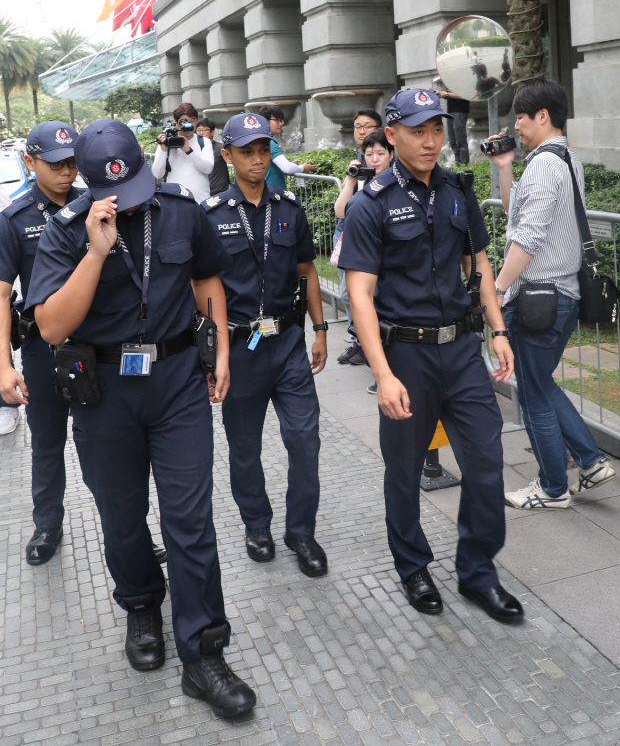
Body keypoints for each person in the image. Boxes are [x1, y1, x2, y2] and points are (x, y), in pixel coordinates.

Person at [25, 119, 255, 719]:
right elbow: (51, 325)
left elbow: (207, 278)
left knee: (190, 519)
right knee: (122, 517)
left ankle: (203, 652)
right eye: (112, 198)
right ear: (87, 182)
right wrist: (96, 253)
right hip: (103, 393)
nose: (125, 208)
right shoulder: (65, 231)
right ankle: (141, 604)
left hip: (178, 381)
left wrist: (221, 350)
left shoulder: (179, 210)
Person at [340, 88, 524, 626]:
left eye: (436, 130)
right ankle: (413, 566)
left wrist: (498, 330)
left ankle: (478, 572)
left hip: (462, 352)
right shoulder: (370, 203)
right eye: (418, 131)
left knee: (487, 464)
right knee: (403, 471)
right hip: (406, 357)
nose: (430, 141)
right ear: (391, 135)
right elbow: (359, 295)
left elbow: (482, 264)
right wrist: (381, 372)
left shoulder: (456, 191)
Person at [202, 113, 329, 578]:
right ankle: (257, 524)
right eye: (247, 151)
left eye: (263, 150)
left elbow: (307, 272)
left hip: (289, 343)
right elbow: (204, 286)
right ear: (227, 155)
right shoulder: (211, 215)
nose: (258, 159)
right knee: (244, 447)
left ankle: (301, 531)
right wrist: (214, 355)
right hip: (241, 350)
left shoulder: (290, 208)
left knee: (304, 440)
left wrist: (319, 329)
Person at [487, 80, 615, 510]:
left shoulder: (544, 165)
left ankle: (552, 487)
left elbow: (527, 236)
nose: (517, 126)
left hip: (540, 296)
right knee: (543, 384)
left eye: (521, 117)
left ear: (543, 116)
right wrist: (505, 166)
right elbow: (516, 212)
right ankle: (591, 461)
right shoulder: (563, 159)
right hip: (561, 294)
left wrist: (498, 290)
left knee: (536, 393)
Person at [0, 123, 81, 561]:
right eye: (56, 164)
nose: (67, 172)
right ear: (29, 162)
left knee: (110, 443)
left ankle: (127, 527)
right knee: (47, 442)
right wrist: (3, 365)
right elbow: (0, 294)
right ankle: (47, 525)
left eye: (72, 162)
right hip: (41, 350)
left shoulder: (95, 206)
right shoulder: (14, 219)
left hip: (96, 350)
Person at [333, 129, 394, 376]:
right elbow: (340, 211)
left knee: (381, 305)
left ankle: (383, 366)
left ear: (391, 154)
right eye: (370, 154)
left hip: (387, 256)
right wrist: (350, 179)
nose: (375, 159)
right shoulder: (361, 180)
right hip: (362, 254)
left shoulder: (397, 180)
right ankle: (369, 352)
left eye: (381, 153)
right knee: (350, 296)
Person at [152, 102, 213, 203]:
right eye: (184, 121)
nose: (189, 124)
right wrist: (164, 150)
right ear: (176, 122)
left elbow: (208, 169)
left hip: (200, 203)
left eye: (193, 120)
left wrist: (189, 151)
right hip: (175, 204)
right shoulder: (167, 141)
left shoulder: (203, 141)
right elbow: (157, 174)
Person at [259, 104, 314, 188]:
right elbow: (287, 168)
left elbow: (271, 167)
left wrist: (291, 165)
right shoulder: (270, 143)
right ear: (265, 121)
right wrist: (302, 168)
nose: (280, 124)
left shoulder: (260, 141)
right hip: (273, 195)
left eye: (281, 120)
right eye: (276, 120)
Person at [196, 117, 230, 195]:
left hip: (219, 194)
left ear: (212, 132)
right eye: (199, 130)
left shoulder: (221, 149)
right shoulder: (193, 150)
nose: (201, 133)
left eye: (205, 130)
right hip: (201, 194)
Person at [435, 88, 470, 165]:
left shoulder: (462, 81)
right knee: (452, 141)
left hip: (460, 111)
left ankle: (465, 164)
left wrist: (447, 94)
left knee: (460, 139)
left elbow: (464, 95)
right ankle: (458, 163)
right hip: (450, 111)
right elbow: (451, 96)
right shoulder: (451, 83)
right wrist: (442, 94)